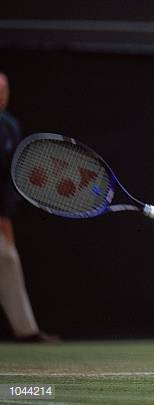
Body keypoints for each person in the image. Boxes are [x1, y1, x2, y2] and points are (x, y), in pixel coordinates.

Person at [0, 72, 58, 343]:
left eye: (4, 89)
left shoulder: (9, 126)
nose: (2, 94)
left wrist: (5, 221)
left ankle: (26, 331)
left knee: (8, 259)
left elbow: (6, 181)